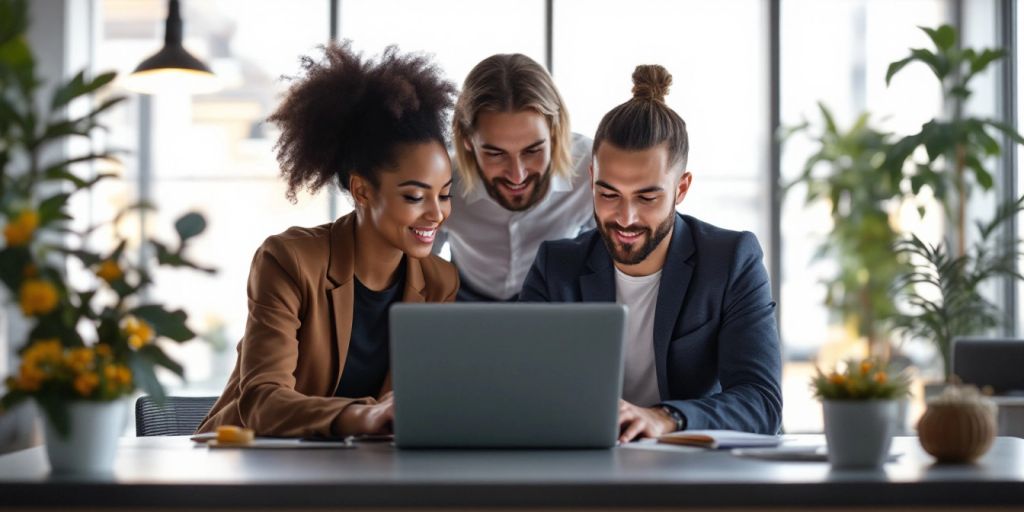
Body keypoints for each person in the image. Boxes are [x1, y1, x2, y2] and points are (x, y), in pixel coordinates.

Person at [197, 43, 459, 438]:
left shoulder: (440, 282)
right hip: (253, 463)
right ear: (362, 190)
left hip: (364, 470)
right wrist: (361, 416)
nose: (436, 213)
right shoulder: (289, 261)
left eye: (444, 194)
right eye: (414, 196)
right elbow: (262, 402)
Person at [520, 65, 782, 442]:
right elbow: (521, 390)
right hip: (586, 468)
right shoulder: (555, 267)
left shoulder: (731, 260)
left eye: (647, 196)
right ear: (591, 179)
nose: (625, 218)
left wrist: (665, 418)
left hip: (693, 474)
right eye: (609, 194)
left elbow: (762, 403)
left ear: (682, 188)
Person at [436, 54, 593, 301]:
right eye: (495, 153)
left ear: (554, 132)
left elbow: (605, 264)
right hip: (464, 297)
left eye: (532, 151)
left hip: (552, 298)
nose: (517, 175)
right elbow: (416, 270)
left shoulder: (591, 170)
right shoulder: (442, 179)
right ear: (467, 141)